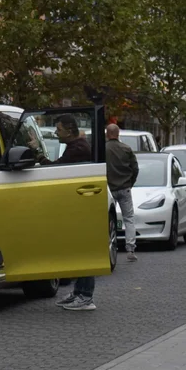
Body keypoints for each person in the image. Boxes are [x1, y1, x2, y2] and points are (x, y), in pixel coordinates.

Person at [31, 115, 97, 311]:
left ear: (69, 130)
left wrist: (37, 153)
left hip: (80, 206)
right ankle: (79, 292)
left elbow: (56, 169)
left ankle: (85, 296)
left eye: (58, 130)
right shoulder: (76, 146)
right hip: (76, 204)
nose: (56, 133)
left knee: (82, 250)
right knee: (77, 249)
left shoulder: (78, 149)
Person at [105, 124, 140, 263]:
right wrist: (130, 183)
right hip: (125, 187)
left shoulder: (103, 149)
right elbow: (135, 168)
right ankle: (130, 248)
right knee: (129, 219)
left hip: (109, 189)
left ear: (107, 134)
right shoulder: (126, 149)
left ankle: (107, 246)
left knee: (107, 219)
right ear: (118, 134)